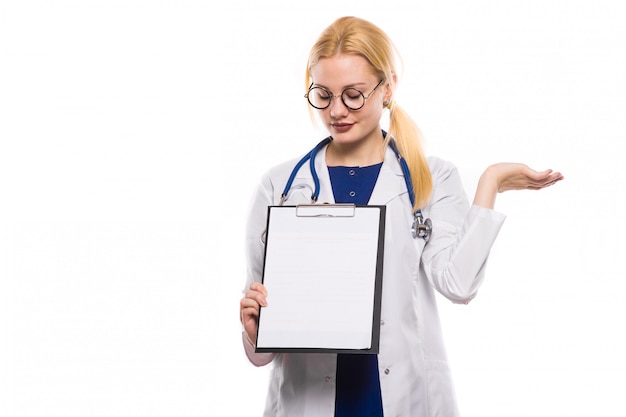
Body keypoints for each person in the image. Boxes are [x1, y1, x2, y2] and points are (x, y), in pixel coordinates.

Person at [239, 16, 563, 417]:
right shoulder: (280, 186)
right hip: (307, 399)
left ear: (387, 87)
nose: (336, 111)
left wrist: (490, 182)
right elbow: (262, 350)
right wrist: (254, 333)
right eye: (323, 95)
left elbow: (459, 285)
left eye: (353, 95)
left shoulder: (430, 177)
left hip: (398, 398)